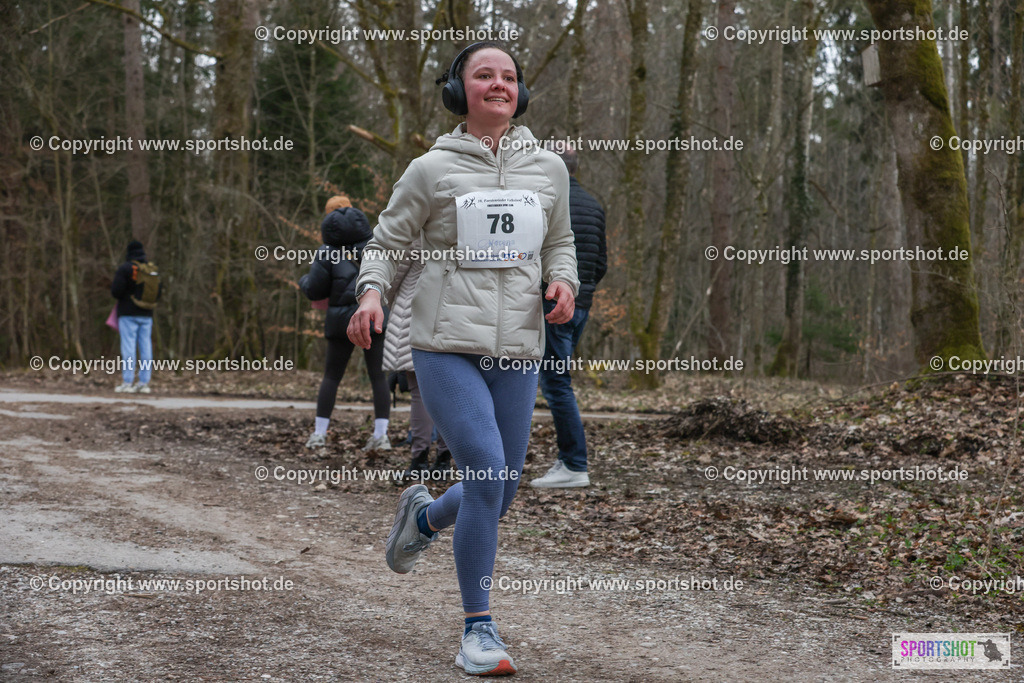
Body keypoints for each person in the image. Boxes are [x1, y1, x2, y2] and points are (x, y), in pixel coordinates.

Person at [348, 42, 579, 676]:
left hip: (519, 349)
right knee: (485, 470)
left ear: (520, 92)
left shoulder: (550, 171)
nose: (499, 85)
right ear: (460, 90)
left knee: (497, 492)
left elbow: (561, 244)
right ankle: (478, 630)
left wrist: (564, 284)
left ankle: (423, 517)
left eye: (509, 77)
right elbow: (388, 243)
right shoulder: (430, 169)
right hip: (445, 343)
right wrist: (370, 294)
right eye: (485, 75)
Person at [531, 143, 607, 488]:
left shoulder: (545, 202)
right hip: (583, 303)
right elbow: (601, 262)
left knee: (555, 382)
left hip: (553, 301)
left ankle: (574, 463)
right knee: (553, 378)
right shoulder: (594, 204)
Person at [301, 196, 391, 451]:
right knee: (378, 377)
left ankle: (319, 434)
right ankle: (381, 436)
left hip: (340, 320)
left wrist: (302, 281)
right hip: (374, 317)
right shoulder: (375, 247)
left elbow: (315, 291)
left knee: (331, 377)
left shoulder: (326, 251)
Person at [381, 237, 453, 480]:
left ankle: (419, 460)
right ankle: (444, 460)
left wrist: (392, 301)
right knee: (451, 391)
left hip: (416, 305)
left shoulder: (420, 215)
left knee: (418, 392)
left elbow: (394, 272)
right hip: (458, 309)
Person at [111, 240, 161, 393]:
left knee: (129, 348)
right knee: (146, 348)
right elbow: (158, 293)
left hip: (128, 314)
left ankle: (128, 382)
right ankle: (144, 383)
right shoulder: (151, 270)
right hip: (147, 314)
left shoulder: (126, 269)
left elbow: (116, 291)